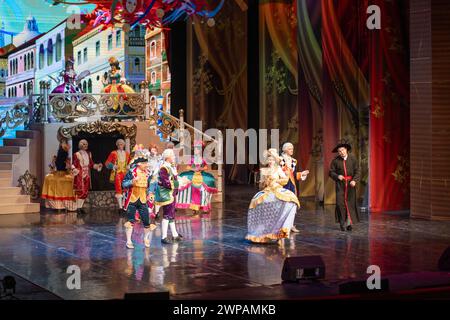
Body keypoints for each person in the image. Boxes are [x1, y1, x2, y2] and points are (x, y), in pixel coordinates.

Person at [246, 149, 300, 244]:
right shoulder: (263, 170)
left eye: (272, 160)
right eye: (269, 160)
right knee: (255, 202)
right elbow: (260, 186)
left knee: (291, 201)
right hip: (267, 191)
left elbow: (285, 179)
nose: (271, 161)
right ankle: (262, 232)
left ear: (275, 161)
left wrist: (276, 181)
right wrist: (265, 182)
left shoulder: (278, 169)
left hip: (277, 190)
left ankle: (282, 235)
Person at [122, 156, 157, 249]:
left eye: (147, 163)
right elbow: (124, 184)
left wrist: (150, 192)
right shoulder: (131, 173)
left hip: (143, 200)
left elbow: (152, 184)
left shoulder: (148, 174)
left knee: (146, 221)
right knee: (131, 221)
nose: (146, 165)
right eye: (145, 163)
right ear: (139, 164)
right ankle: (129, 241)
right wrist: (132, 181)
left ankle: (145, 238)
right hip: (132, 199)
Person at [176, 140, 217, 215]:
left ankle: (204, 206)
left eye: (198, 149)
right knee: (193, 191)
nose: (196, 150)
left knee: (204, 190)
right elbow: (188, 167)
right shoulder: (192, 159)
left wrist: (201, 169)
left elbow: (205, 167)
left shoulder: (203, 159)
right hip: (194, 176)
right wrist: (193, 169)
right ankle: (194, 208)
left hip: (200, 176)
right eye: (195, 149)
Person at [329, 143, 360, 231]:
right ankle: (342, 222)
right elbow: (331, 172)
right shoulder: (335, 161)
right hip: (340, 184)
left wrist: (354, 180)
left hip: (350, 184)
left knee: (350, 203)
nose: (341, 152)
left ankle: (349, 223)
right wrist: (337, 176)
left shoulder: (352, 158)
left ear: (346, 149)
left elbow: (357, 171)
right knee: (340, 203)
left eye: (342, 150)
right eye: (339, 151)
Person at [280, 142, 309, 233]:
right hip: (282, 184)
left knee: (292, 205)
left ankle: (291, 225)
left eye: (292, 149)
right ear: (285, 150)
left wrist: (302, 174)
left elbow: (294, 174)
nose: (292, 150)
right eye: (289, 149)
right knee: (282, 205)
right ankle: (281, 226)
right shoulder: (280, 160)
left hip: (291, 185)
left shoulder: (293, 161)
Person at [155, 149, 182, 244]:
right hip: (167, 194)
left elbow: (174, 179)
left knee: (171, 214)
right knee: (167, 214)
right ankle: (164, 237)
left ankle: (174, 235)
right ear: (168, 157)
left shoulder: (171, 167)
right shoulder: (164, 168)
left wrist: (178, 184)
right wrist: (178, 183)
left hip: (172, 194)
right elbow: (166, 182)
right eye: (173, 156)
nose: (174, 157)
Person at [41, 139, 77, 211]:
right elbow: (52, 168)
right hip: (59, 173)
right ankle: (60, 206)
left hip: (62, 173)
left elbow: (68, 169)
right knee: (49, 178)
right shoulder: (57, 157)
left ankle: (64, 206)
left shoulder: (66, 158)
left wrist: (70, 167)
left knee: (67, 179)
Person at [72, 139, 103, 214]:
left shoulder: (89, 153)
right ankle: (77, 208)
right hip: (80, 174)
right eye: (84, 144)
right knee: (80, 191)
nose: (86, 146)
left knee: (85, 192)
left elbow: (91, 164)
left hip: (87, 174)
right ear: (81, 145)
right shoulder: (76, 154)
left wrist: (97, 166)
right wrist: (75, 170)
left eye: (86, 144)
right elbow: (73, 164)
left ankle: (80, 207)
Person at [105, 139, 130, 211]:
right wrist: (113, 166)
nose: (120, 146)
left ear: (124, 145)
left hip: (125, 173)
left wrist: (129, 165)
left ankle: (124, 206)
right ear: (117, 145)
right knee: (118, 189)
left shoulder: (127, 154)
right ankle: (120, 207)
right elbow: (107, 163)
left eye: (121, 144)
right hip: (117, 173)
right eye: (119, 144)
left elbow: (130, 162)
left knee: (126, 188)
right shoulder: (113, 153)